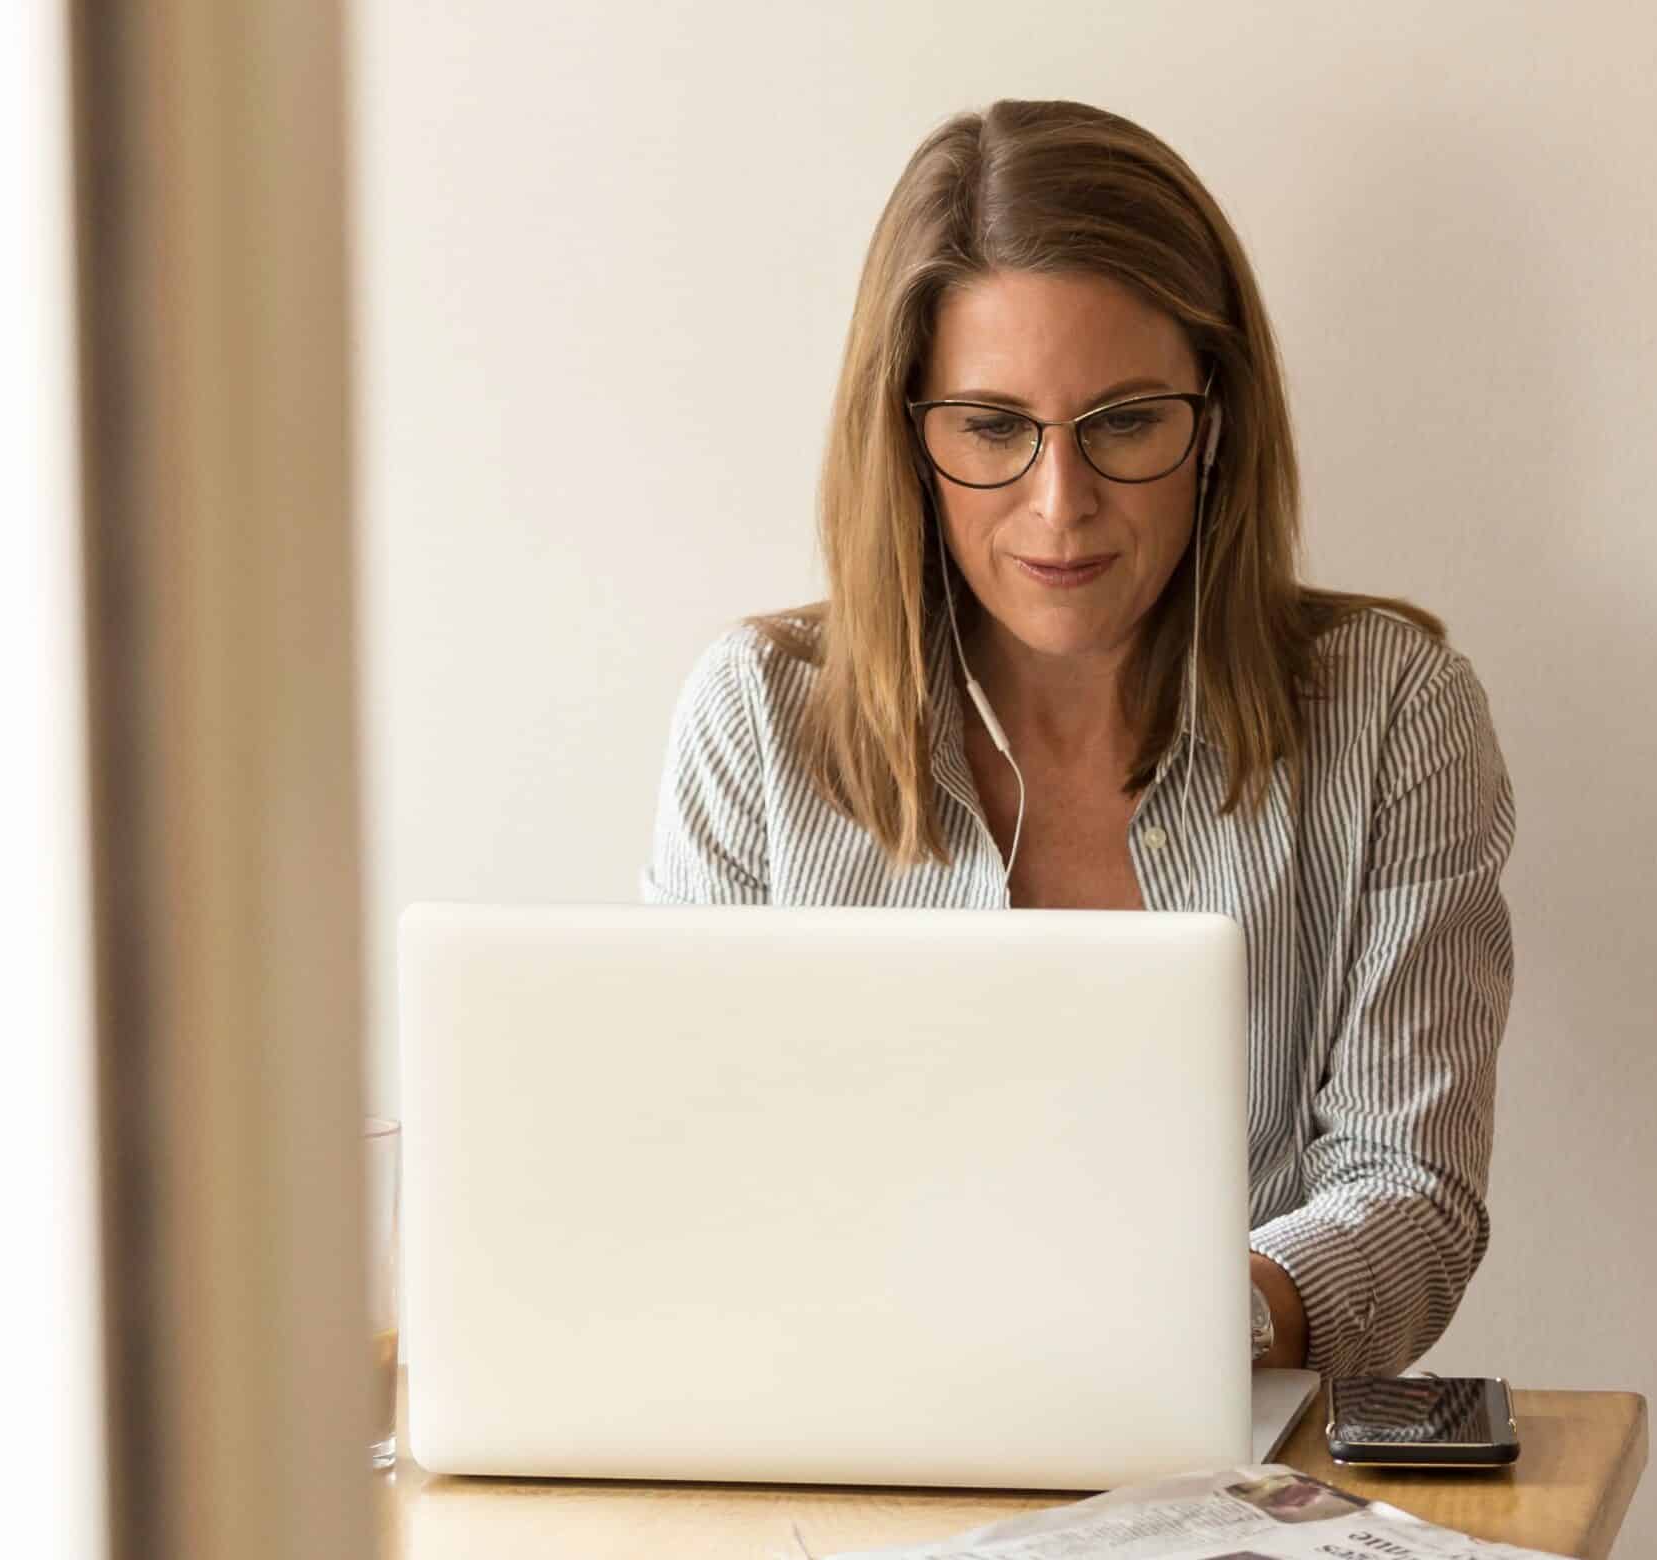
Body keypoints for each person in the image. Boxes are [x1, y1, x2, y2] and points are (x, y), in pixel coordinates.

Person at [640, 98, 1515, 1382]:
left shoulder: (1392, 713)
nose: (1061, 507)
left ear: (1213, 421)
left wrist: (1177, 1332)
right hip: (837, 1449)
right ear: (907, 438)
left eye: (1123, 423)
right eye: (992, 429)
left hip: (1228, 1465)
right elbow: (686, 1174)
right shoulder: (757, 718)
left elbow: (1413, 1197)